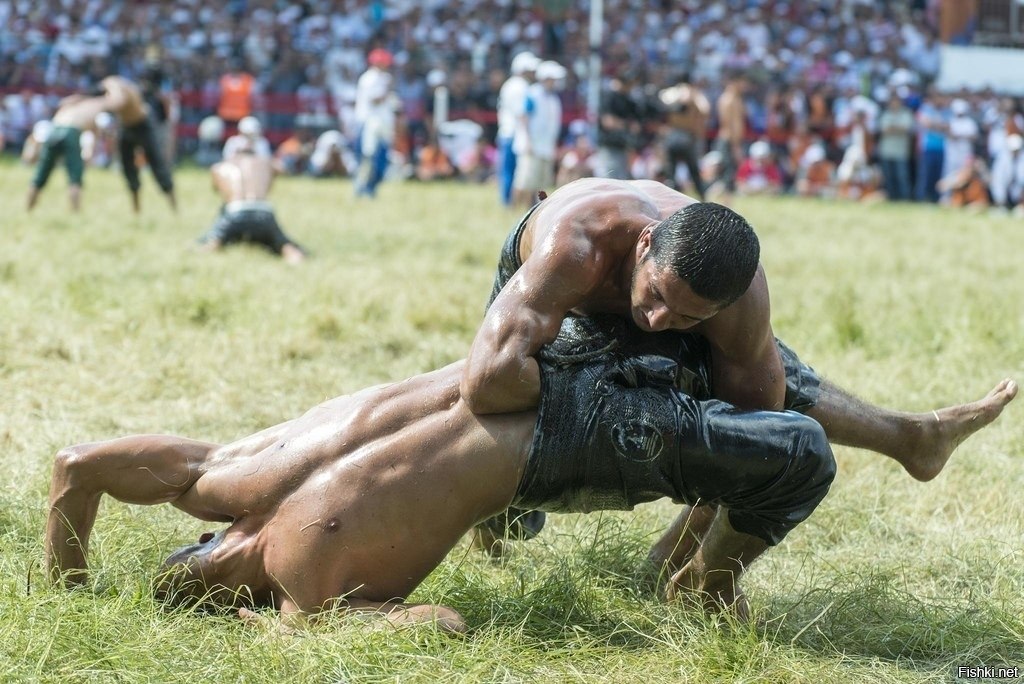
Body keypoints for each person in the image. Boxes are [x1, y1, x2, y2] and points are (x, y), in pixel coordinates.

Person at [46, 322, 856, 626]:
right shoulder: (280, 558)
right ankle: (699, 576)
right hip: (546, 395)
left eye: (191, 573)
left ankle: (701, 572)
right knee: (764, 408)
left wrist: (68, 596)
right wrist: (285, 631)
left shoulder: (235, 501)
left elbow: (75, 467)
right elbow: (444, 624)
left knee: (763, 402)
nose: (203, 567)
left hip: (548, 397)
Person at [459, 177, 1017, 571]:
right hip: (565, 270)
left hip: (679, 280)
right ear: (646, 243)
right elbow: (488, 381)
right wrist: (599, 394)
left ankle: (912, 437)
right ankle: (497, 526)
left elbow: (756, 431)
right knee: (510, 467)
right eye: (655, 296)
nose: (656, 321)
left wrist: (681, 550)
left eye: (684, 316)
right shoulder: (574, 246)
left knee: (758, 378)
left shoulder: (738, 298)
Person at [196, 144, 306, 264]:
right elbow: (283, 169)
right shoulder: (266, 162)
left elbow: (217, 190)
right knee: (284, 244)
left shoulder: (220, 166)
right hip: (264, 211)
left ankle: (212, 246)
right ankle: (295, 259)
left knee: (211, 241)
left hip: (235, 211)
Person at [101, 75, 177, 213]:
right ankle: (136, 211)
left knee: (157, 165)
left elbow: (116, 102)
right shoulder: (112, 90)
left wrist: (100, 103)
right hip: (126, 127)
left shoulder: (123, 89)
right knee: (128, 168)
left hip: (143, 126)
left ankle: (174, 208)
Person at [25, 93, 105, 212]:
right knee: (75, 177)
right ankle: (75, 213)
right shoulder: (90, 109)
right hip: (71, 132)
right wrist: (91, 154)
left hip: (54, 130)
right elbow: (95, 134)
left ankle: (28, 210)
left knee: (40, 173)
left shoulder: (65, 108)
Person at [512, 60, 566, 206]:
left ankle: (533, 209)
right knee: (525, 180)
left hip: (546, 146)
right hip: (532, 144)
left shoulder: (554, 99)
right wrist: (527, 140)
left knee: (540, 182)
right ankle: (515, 208)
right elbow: (523, 117)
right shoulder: (532, 94)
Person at [496, 52, 540, 206]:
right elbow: (521, 113)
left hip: (513, 133)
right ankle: (508, 203)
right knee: (511, 171)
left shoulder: (517, 85)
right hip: (513, 133)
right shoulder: (518, 86)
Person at [659, 76, 710, 199]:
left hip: (673, 135)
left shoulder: (672, 94)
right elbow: (705, 110)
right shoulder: (694, 95)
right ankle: (702, 197)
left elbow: (662, 103)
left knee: (672, 170)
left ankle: (670, 197)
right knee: (693, 170)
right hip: (686, 136)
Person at [714, 71, 748, 204]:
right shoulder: (728, 100)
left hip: (733, 140)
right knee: (728, 171)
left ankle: (724, 199)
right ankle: (725, 201)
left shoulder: (736, 99)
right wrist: (735, 145)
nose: (745, 85)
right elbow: (728, 124)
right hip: (729, 140)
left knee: (729, 171)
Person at [877, 91, 915, 201]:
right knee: (888, 177)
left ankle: (904, 198)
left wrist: (892, 128)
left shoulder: (906, 113)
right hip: (886, 151)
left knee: (902, 177)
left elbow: (906, 128)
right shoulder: (885, 114)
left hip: (900, 151)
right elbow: (883, 129)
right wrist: (898, 128)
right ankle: (891, 198)